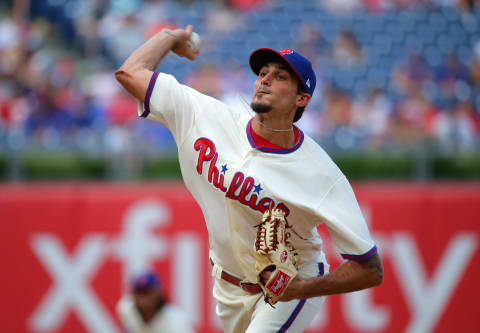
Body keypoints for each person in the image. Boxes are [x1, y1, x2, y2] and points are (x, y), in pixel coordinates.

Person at [115, 24, 383, 333]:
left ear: (302, 99)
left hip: (289, 286)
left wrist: (301, 289)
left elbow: (370, 270)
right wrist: (170, 37)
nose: (266, 79)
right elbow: (130, 72)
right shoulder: (205, 116)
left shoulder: (321, 174)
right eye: (263, 73)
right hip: (226, 286)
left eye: (281, 76)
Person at [116, 270, 194, 333]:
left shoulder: (176, 322)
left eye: (146, 292)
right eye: (138, 292)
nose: (141, 298)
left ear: (158, 293)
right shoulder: (126, 309)